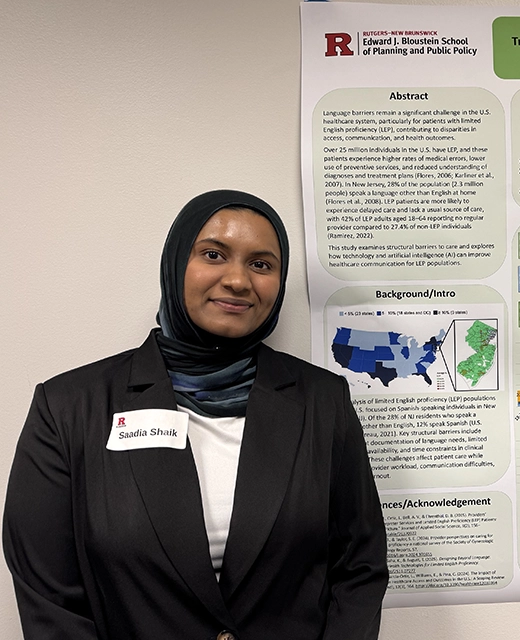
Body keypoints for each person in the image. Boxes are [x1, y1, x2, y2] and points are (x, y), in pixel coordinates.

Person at [3, 190, 388, 639]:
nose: (239, 280)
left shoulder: (323, 402)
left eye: (261, 264)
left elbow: (359, 567)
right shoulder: (69, 408)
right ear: (174, 265)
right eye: (213, 254)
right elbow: (50, 600)